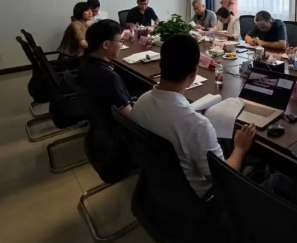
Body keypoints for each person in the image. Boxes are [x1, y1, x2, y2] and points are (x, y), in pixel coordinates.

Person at [131, 34, 257, 197]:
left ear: (161, 64)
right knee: (244, 152)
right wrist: (240, 147)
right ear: (193, 73)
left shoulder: (140, 103)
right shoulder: (196, 125)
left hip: (157, 185)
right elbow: (222, 177)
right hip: (198, 199)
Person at [77, 20, 133, 118]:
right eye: (120, 41)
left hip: (99, 119)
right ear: (106, 44)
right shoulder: (110, 77)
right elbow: (130, 116)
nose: (121, 45)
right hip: (115, 123)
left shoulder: (85, 62)